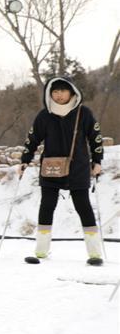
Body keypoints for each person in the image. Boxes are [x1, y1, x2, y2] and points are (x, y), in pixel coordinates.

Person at [19, 76, 104, 265]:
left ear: (72, 92)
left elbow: (96, 138)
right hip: (51, 168)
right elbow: (32, 139)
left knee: (83, 207)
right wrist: (25, 160)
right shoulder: (44, 115)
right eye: (54, 91)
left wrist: (97, 161)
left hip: (79, 168)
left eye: (62, 91)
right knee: (47, 206)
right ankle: (41, 251)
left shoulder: (84, 113)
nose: (58, 95)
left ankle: (95, 253)